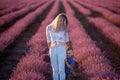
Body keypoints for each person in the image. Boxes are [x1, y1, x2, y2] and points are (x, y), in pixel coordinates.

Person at [46, 13, 72, 80]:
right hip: (53, 49)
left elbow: (67, 40)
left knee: (61, 70)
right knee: (55, 70)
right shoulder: (49, 27)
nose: (63, 24)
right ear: (58, 20)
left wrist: (69, 51)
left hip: (62, 49)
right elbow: (48, 41)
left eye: (64, 22)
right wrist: (49, 51)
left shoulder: (64, 28)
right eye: (62, 21)